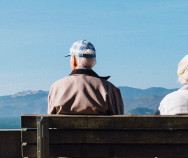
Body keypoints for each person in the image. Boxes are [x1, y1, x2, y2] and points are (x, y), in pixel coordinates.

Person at [48, 40, 124, 115]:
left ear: (74, 60)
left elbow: (49, 121)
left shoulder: (56, 87)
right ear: (93, 61)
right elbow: (120, 122)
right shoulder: (109, 88)